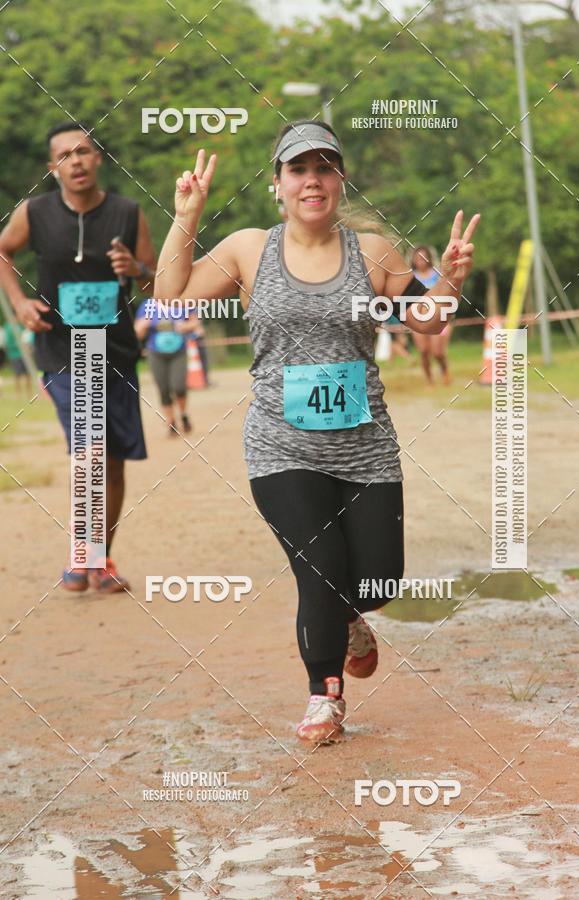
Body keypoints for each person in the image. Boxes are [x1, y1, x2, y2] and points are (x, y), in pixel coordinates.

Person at [154, 120, 479, 743]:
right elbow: (170, 298)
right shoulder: (249, 249)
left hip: (364, 444)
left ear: (339, 180)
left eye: (324, 168)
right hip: (281, 444)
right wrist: (187, 215)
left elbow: (426, 322)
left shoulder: (373, 251)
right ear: (278, 184)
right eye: (298, 169)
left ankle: (355, 616)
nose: (312, 180)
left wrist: (451, 279)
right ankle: (323, 696)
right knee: (319, 571)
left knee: (380, 580)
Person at [0, 122, 157, 593]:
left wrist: (137, 269)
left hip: (117, 350)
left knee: (113, 458)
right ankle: (81, 556)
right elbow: (3, 250)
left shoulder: (129, 213)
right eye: (65, 155)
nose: (76, 160)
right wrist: (19, 302)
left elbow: (157, 284)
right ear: (53, 168)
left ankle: (101, 559)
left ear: (97, 159)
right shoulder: (34, 212)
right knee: (89, 449)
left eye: (84, 151)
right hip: (62, 348)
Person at [135, 300, 198, 435]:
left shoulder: (182, 302)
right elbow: (138, 333)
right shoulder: (146, 306)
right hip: (155, 353)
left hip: (178, 351)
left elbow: (195, 323)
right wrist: (143, 325)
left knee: (179, 386)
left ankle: (183, 414)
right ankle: (171, 422)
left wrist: (184, 326)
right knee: (163, 389)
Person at [410, 244, 454, 385]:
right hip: (417, 318)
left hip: (437, 317)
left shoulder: (438, 274)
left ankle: (444, 370)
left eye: (424, 257)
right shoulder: (410, 276)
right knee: (423, 351)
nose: (421, 260)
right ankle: (429, 380)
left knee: (437, 352)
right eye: (418, 257)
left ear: (429, 258)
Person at [3, 320, 32, 393]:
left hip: (24, 354)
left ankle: (29, 392)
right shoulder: (8, 327)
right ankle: (18, 392)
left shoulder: (20, 325)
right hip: (15, 354)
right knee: (17, 374)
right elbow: (7, 342)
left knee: (27, 373)